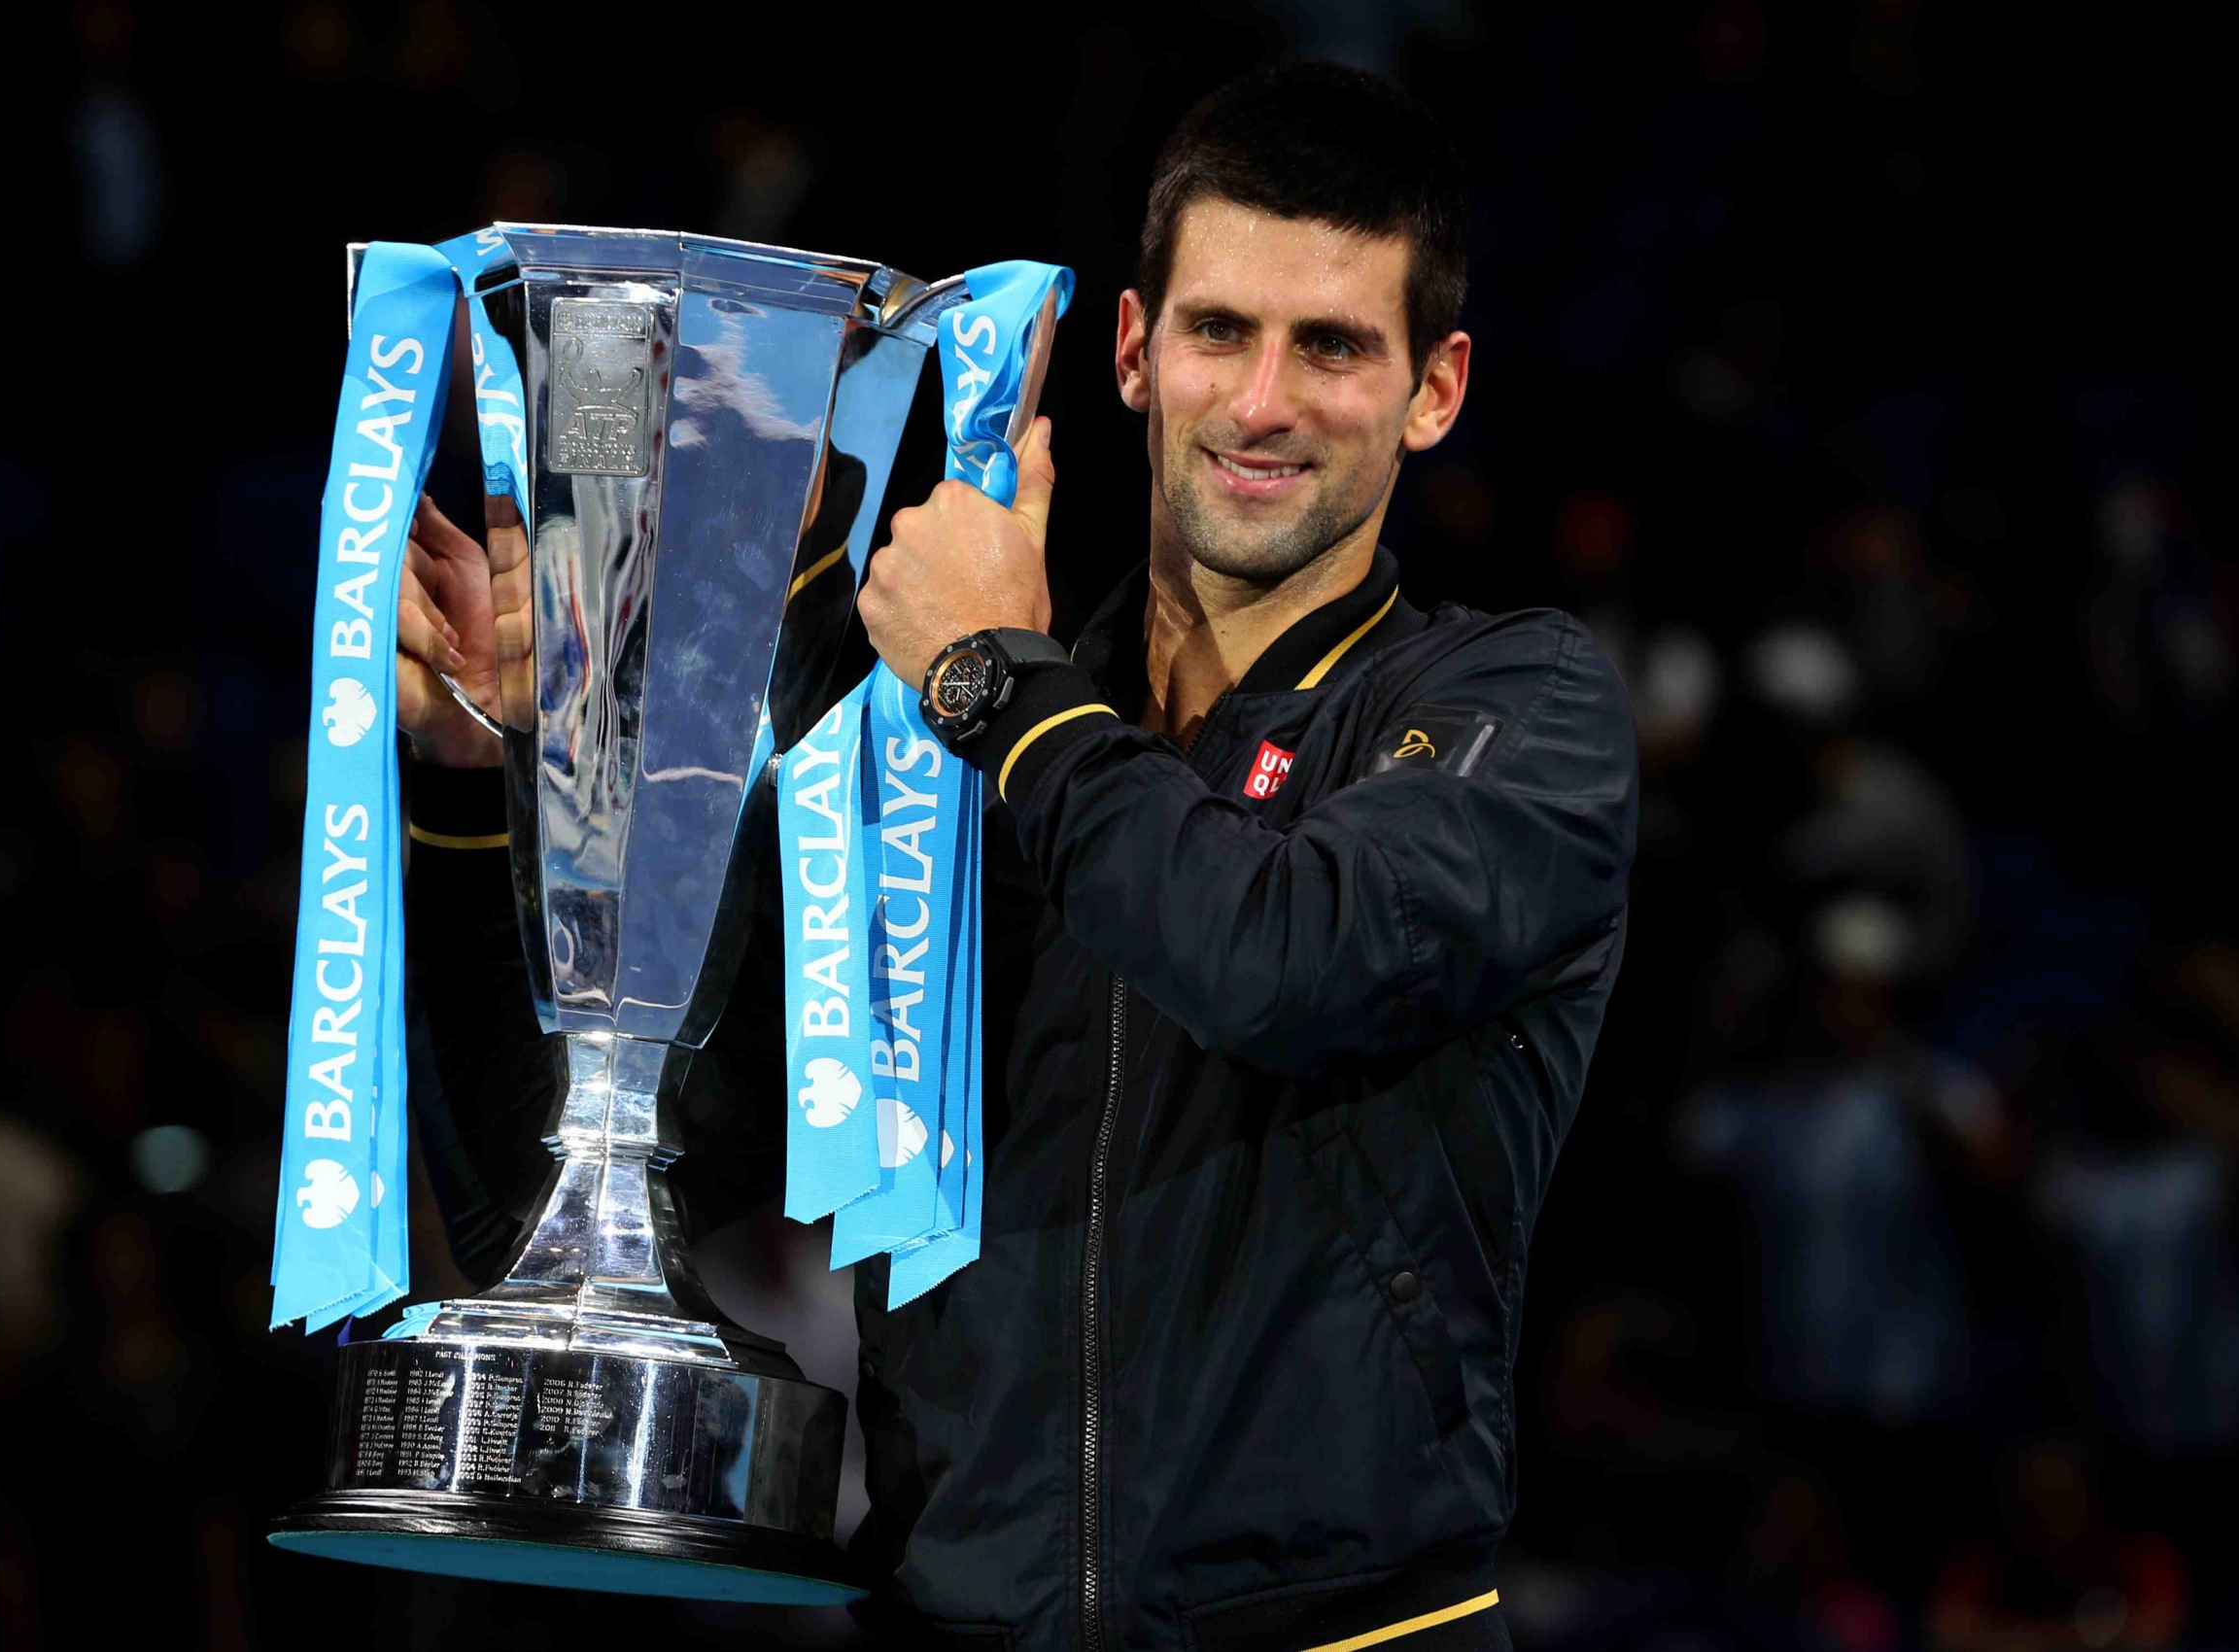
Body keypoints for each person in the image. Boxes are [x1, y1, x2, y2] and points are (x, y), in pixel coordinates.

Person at [394, 63, 1636, 1651]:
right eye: (1220, 331)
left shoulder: (1511, 709)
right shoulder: (934, 764)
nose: (1264, 402)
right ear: (1134, 349)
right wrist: (484, 783)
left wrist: (1000, 682)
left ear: (1435, 390)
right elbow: (582, 1201)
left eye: (1333, 347)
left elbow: (1281, 960)